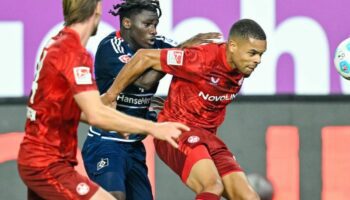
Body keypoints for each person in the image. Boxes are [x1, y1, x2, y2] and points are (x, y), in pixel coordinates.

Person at [17, 0, 190, 199]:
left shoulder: (56, 42)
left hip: (45, 157)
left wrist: (123, 120)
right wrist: (153, 128)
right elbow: (95, 114)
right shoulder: (72, 52)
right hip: (46, 162)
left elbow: (76, 109)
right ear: (96, 11)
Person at [103, 18, 267, 200]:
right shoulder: (201, 58)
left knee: (249, 197)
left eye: (261, 54)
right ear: (233, 46)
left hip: (209, 138)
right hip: (177, 132)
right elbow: (144, 57)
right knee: (212, 186)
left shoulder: (240, 68)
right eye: (252, 53)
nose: (257, 60)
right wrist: (110, 96)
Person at [81, 1, 221, 200]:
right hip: (106, 143)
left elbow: (189, 59)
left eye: (155, 24)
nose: (153, 31)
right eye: (147, 25)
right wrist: (181, 48)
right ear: (127, 23)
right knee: (114, 197)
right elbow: (143, 82)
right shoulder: (109, 48)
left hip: (134, 146)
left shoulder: (158, 43)